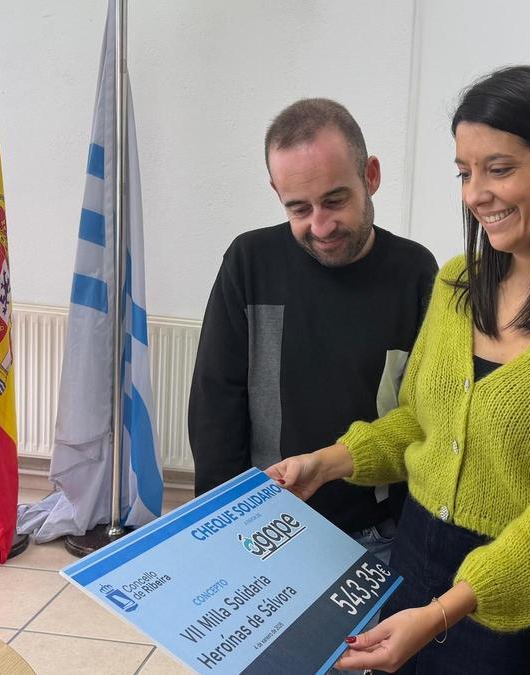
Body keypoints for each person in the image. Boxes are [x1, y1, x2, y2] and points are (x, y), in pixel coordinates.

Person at [269, 65, 530, 674]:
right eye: (464, 171)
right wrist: (329, 462)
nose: (475, 193)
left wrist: (442, 613)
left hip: (521, 598)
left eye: (499, 169)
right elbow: (418, 426)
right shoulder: (457, 281)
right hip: (416, 556)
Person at [188, 99, 438, 569]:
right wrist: (223, 526)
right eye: (298, 208)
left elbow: (424, 415)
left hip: (378, 535)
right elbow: (215, 404)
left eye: (335, 200)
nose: (320, 226)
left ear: (372, 176)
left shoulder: (417, 272)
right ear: (275, 191)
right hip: (268, 529)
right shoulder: (250, 262)